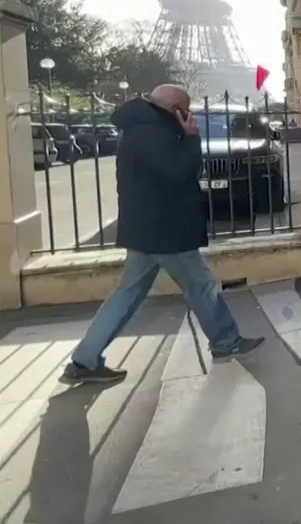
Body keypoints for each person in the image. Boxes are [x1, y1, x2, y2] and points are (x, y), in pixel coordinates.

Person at [60, 85, 264, 385]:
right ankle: (226, 342)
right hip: (166, 228)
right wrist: (192, 138)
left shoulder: (141, 127)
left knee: (128, 293)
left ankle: (84, 360)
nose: (190, 115)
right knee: (202, 286)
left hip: (146, 228)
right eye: (187, 109)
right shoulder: (152, 133)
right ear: (175, 110)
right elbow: (180, 172)